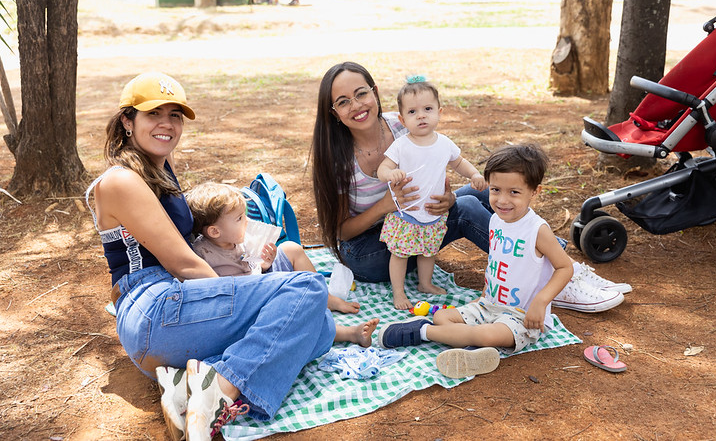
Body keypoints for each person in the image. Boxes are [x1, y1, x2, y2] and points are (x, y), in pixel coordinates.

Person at [85, 72, 351, 441]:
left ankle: (189, 381)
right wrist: (248, 295)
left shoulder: (160, 170)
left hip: (176, 319)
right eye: (153, 114)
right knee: (305, 289)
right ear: (128, 122)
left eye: (175, 115)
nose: (167, 124)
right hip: (156, 311)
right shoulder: (120, 180)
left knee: (319, 330)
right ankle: (219, 391)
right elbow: (184, 263)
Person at [310, 61, 630, 314]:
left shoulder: (402, 121)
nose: (356, 105)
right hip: (370, 251)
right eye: (343, 102)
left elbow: (440, 164)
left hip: (415, 223)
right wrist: (385, 206)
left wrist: (447, 197)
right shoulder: (337, 159)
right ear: (334, 113)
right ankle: (555, 276)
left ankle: (550, 255)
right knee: (464, 212)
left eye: (361, 93)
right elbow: (342, 233)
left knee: (478, 194)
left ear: (375, 91)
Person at [376, 144, 579, 379]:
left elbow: (566, 267)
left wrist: (541, 302)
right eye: (495, 190)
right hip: (488, 304)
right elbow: (497, 261)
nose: (502, 200)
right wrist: (485, 293)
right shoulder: (496, 221)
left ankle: (423, 332)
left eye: (514, 192)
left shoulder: (536, 230)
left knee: (488, 335)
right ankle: (472, 350)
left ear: (535, 191)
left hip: (520, 315)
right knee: (443, 316)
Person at [376, 77, 487, 309]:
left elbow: (459, 162)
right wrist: (390, 174)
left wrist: (475, 175)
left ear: (439, 112)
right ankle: (398, 292)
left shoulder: (444, 143)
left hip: (433, 213)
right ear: (402, 119)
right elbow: (382, 168)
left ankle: (424, 284)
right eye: (413, 111)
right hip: (407, 213)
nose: (421, 116)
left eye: (428, 109)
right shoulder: (401, 145)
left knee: (429, 251)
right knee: (400, 254)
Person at [185, 181, 362, 313]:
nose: (247, 221)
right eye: (239, 218)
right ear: (215, 232)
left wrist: (265, 264)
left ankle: (326, 298)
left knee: (291, 248)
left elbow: (253, 267)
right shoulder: (202, 254)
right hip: (249, 300)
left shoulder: (239, 239)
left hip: (262, 280)